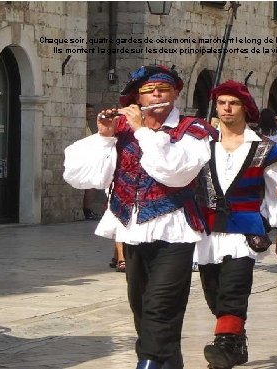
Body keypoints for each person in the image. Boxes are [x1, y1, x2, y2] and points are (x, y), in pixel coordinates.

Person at [63, 65, 215, 369]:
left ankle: (148, 363)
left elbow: (174, 173)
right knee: (141, 304)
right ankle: (167, 361)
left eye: (163, 89)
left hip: (175, 230)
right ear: (137, 97)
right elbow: (83, 176)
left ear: (174, 94)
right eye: (148, 90)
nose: (156, 94)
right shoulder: (120, 130)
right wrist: (105, 138)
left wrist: (143, 132)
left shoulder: (193, 130)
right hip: (132, 228)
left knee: (162, 304)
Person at [195, 80, 277, 369]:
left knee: (234, 288)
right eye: (222, 103)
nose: (227, 108)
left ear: (245, 108)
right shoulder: (200, 147)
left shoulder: (264, 149)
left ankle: (226, 346)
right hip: (207, 231)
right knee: (213, 291)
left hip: (244, 230)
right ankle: (236, 341)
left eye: (233, 103)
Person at [83, 103, 103, 221]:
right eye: (89, 112)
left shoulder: (86, 125)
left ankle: (88, 210)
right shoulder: (83, 125)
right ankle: (87, 210)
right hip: (86, 160)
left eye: (91, 112)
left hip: (89, 159)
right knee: (92, 185)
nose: (91, 114)